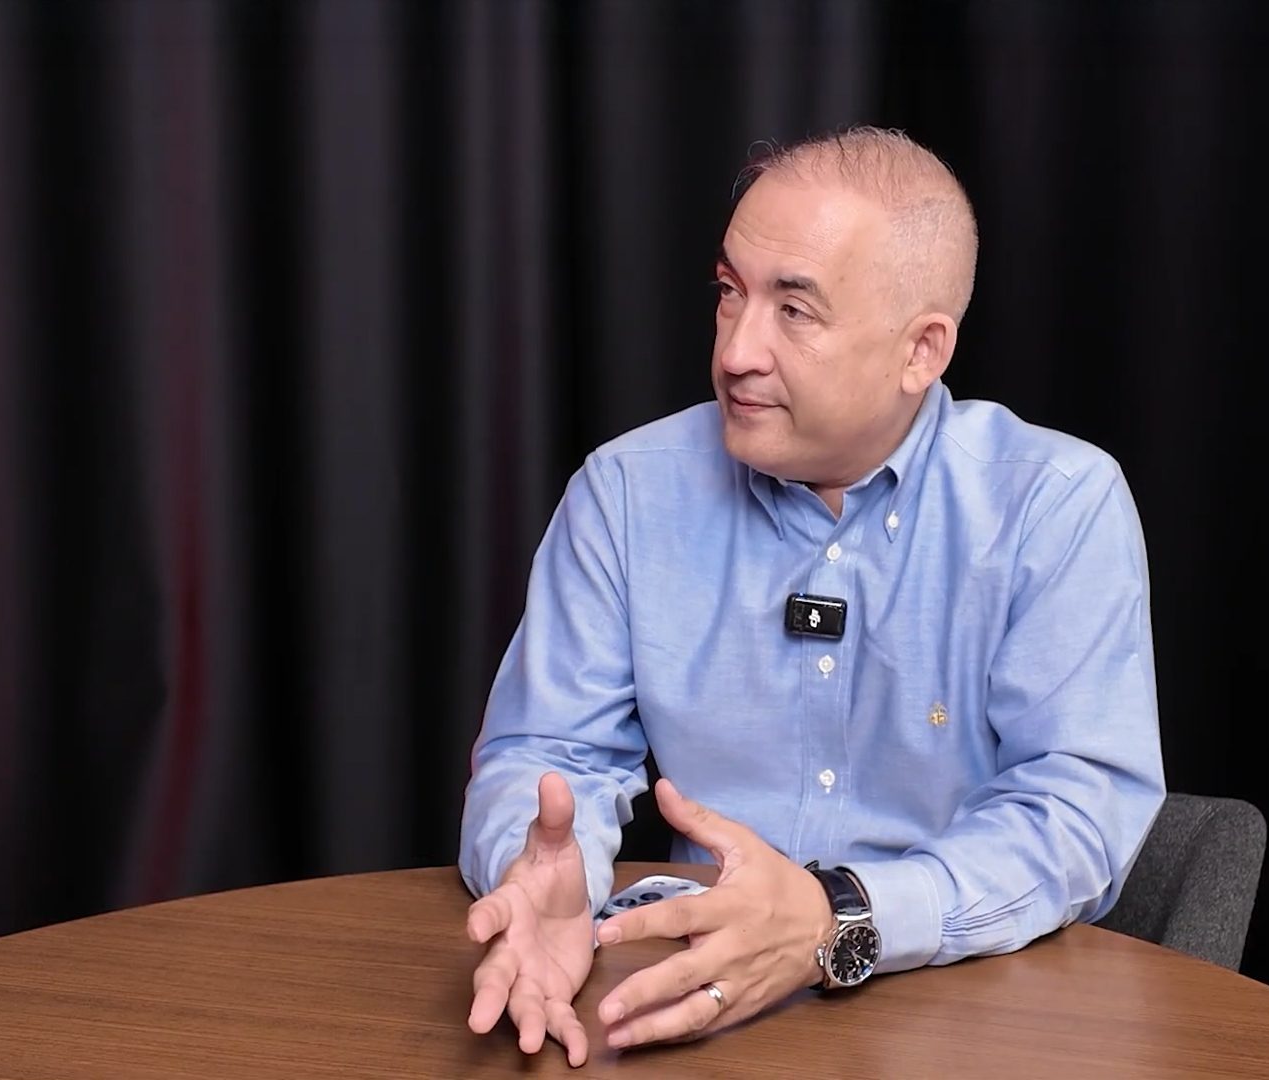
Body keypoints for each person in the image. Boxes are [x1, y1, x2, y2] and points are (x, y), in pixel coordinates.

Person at [457, 126, 1165, 1067]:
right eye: (728, 294)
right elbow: (546, 754)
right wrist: (546, 872)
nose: (738, 352)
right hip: (685, 1007)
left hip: (965, 1021)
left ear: (921, 351)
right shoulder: (627, 492)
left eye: (795, 311)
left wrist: (837, 920)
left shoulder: (1056, 507)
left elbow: (1075, 816)